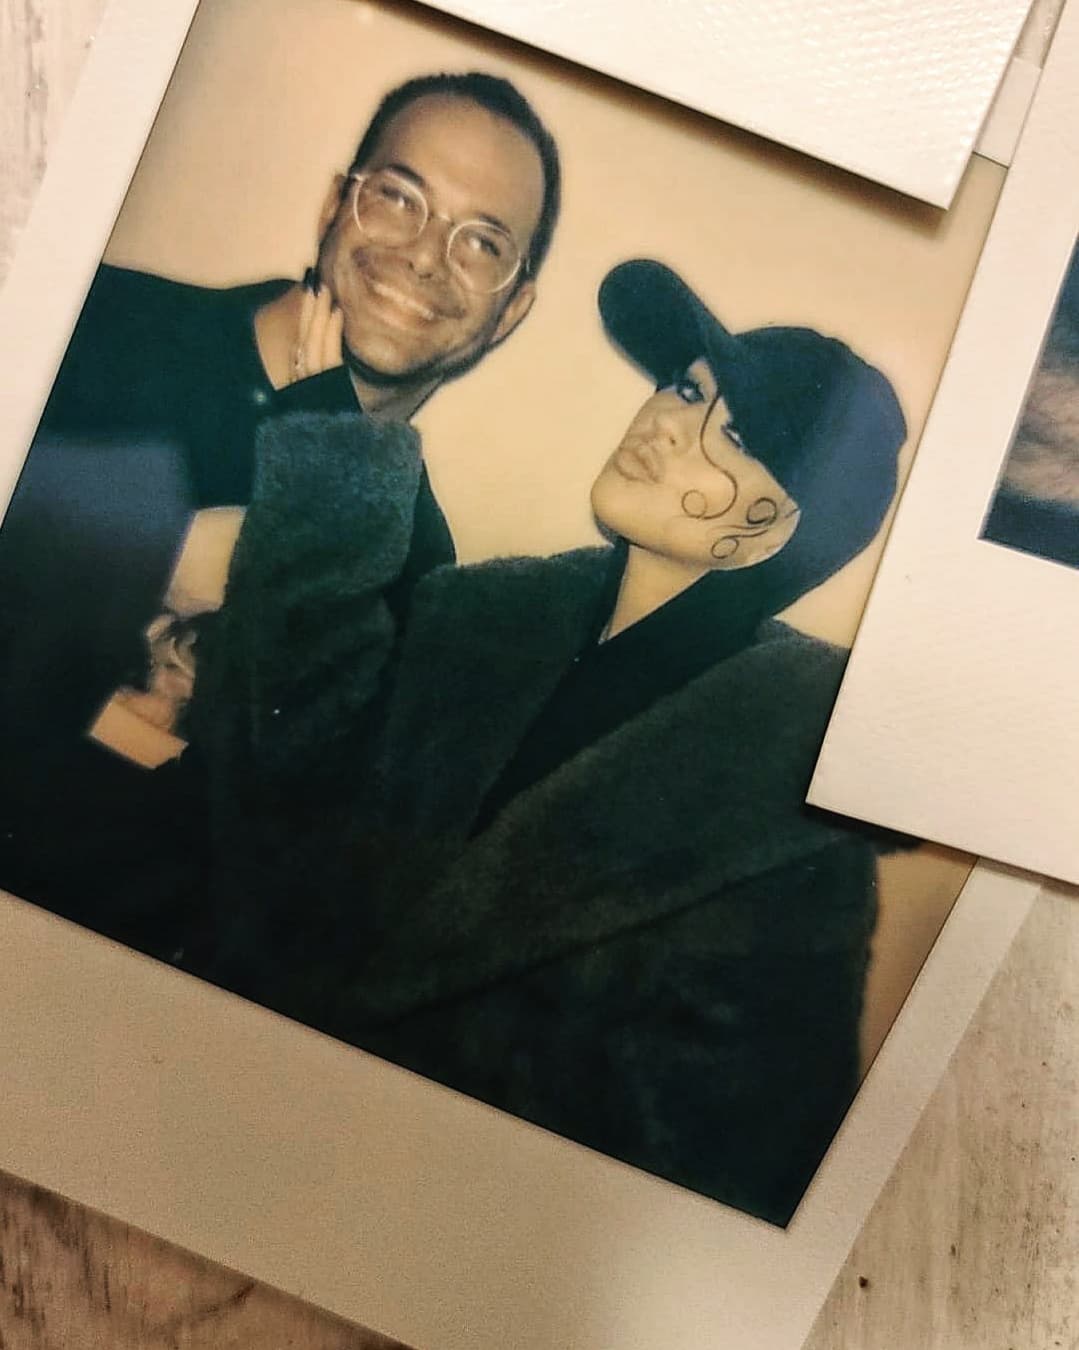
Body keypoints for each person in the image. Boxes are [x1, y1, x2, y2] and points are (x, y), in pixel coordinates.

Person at [190, 260, 909, 1226]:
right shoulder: (472, 619)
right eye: (683, 388)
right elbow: (277, 781)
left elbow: (730, 1171)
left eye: (732, 436)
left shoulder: (782, 815)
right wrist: (332, 461)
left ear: (763, 530)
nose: (665, 423)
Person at [0, 71, 560, 942]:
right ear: (336, 204)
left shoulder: (418, 572)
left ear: (511, 307)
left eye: (481, 242)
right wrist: (144, 546)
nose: (425, 255)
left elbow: (283, 879)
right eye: (399, 197)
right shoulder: (93, 320)